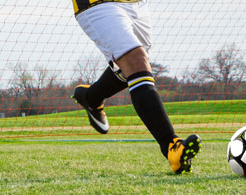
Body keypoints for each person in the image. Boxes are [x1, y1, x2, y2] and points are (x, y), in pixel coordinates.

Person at [70, 0, 201, 174]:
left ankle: (91, 97)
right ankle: (171, 146)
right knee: (135, 60)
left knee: (134, 66)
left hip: (137, 4)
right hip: (98, 4)